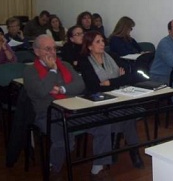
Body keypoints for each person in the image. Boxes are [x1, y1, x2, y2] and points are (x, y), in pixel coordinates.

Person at [23, 35, 112, 175]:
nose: (52, 52)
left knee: (103, 124)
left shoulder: (65, 65)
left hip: (72, 108)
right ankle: (53, 169)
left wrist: (62, 89)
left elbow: (80, 85)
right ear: (37, 51)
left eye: (54, 48)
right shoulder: (30, 71)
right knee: (63, 139)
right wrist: (52, 70)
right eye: (47, 49)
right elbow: (41, 91)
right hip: (47, 113)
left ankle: (98, 168)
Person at [78, 31, 144, 168]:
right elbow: (93, 85)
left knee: (128, 112)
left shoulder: (111, 56)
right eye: (98, 42)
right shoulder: (84, 61)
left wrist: (110, 82)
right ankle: (130, 149)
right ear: (89, 46)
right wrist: (117, 81)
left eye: (102, 41)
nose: (102, 44)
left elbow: (131, 77)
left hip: (118, 96)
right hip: (98, 101)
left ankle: (125, 147)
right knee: (126, 114)